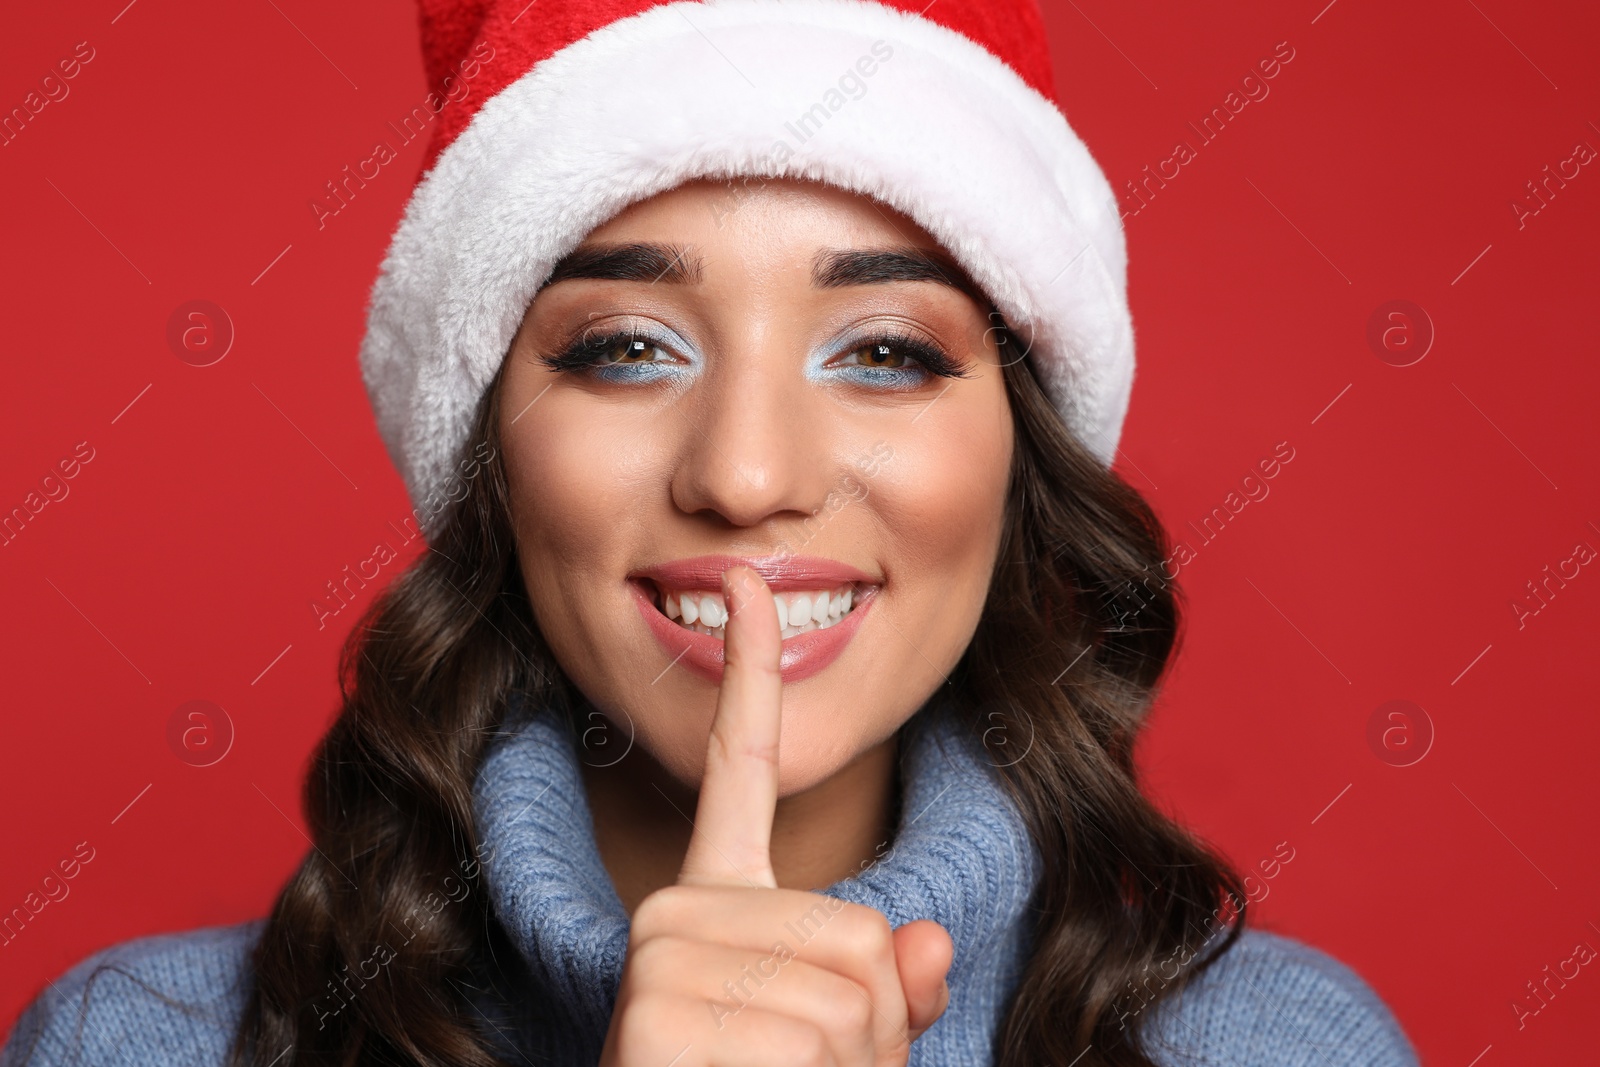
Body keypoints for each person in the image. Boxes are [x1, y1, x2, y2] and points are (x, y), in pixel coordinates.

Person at [1, 1, 1421, 1065]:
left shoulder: (1282, 1049)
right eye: (626, 349)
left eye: (882, 351)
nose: (745, 477)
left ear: (1020, 457)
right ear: (489, 448)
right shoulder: (143, 1043)